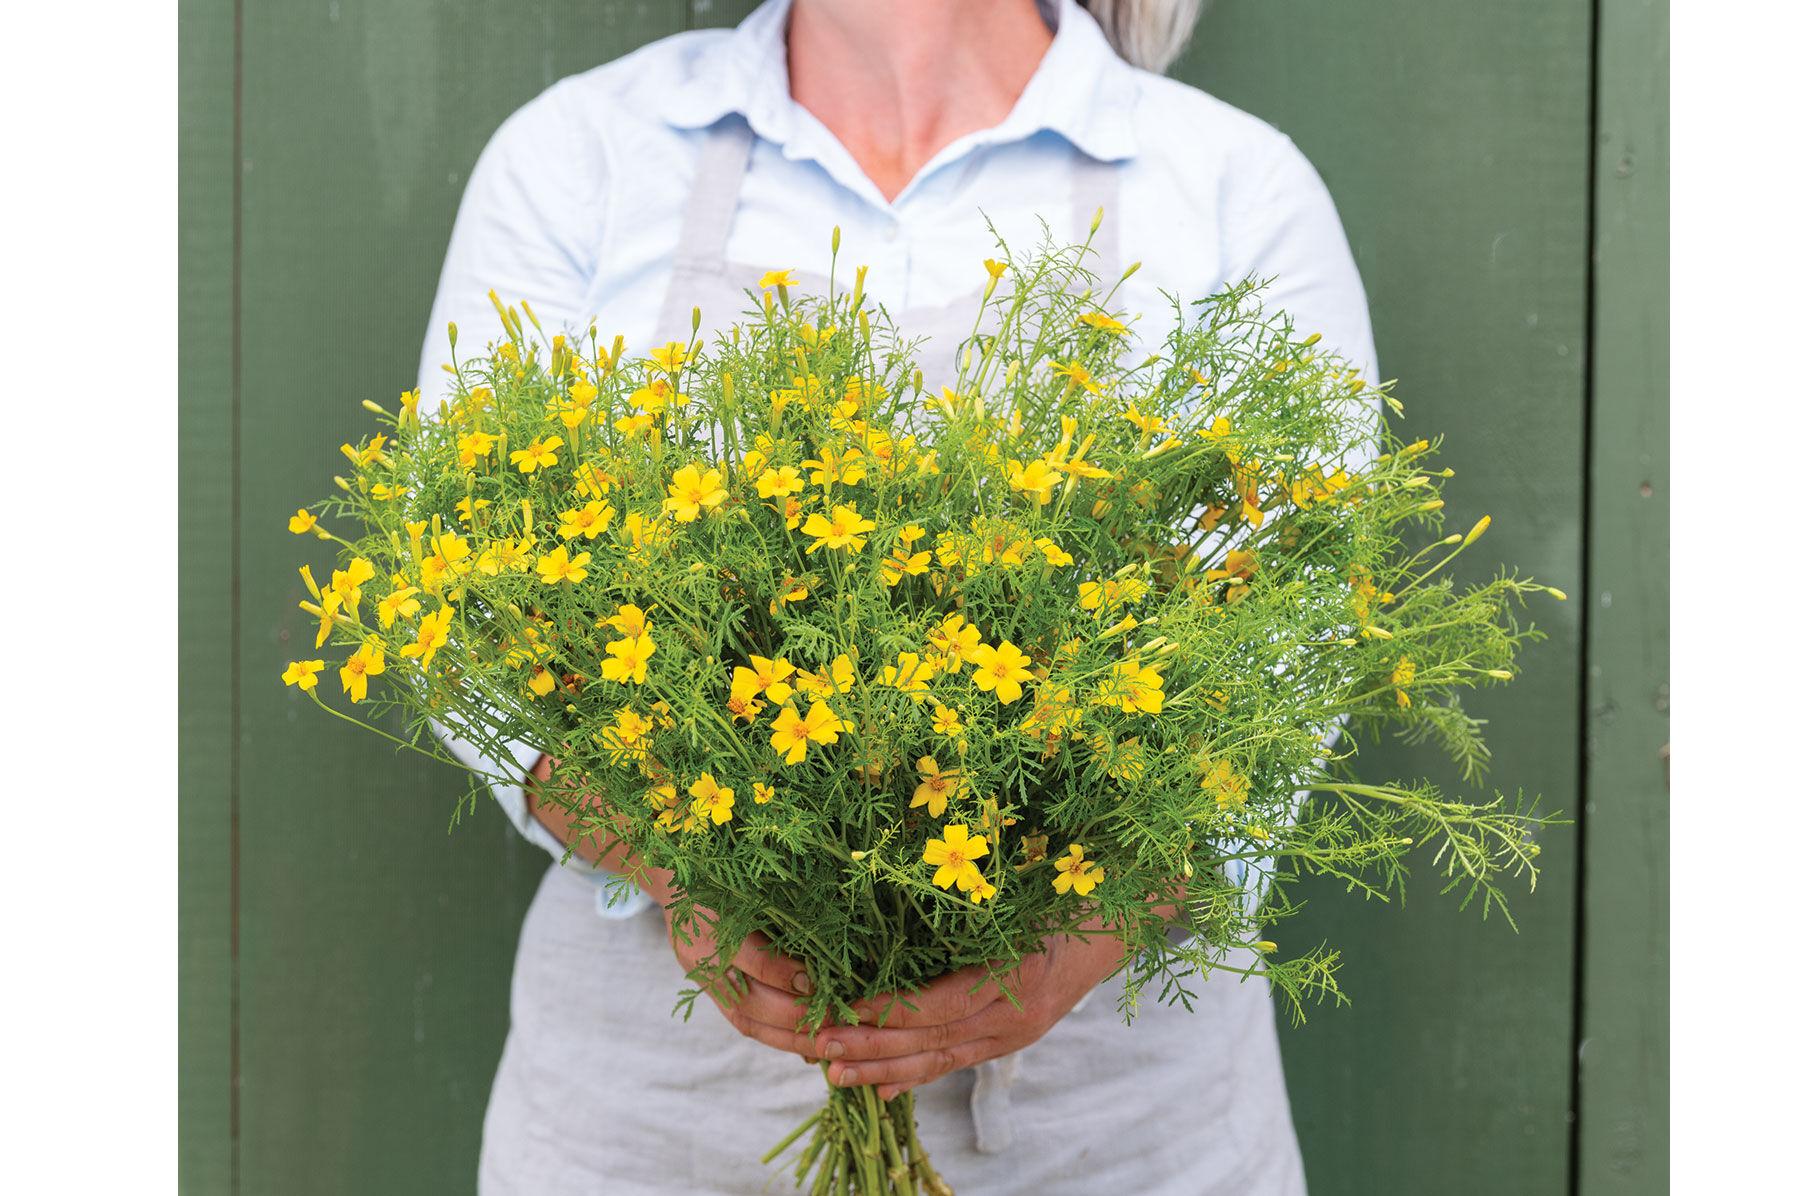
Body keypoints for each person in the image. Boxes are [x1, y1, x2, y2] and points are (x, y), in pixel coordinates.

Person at [418, 1, 1378, 1191]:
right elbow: (468, 624)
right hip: (655, 1122)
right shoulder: (584, 154)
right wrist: (676, 865)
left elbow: (1292, 653)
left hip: (1116, 1132)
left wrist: (1093, 928)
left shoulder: (1231, 184)